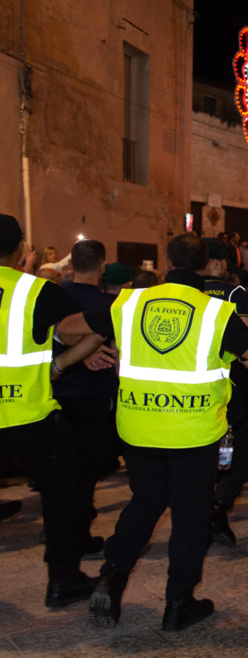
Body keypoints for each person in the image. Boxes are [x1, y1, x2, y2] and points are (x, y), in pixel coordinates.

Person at [56, 234, 248, 631]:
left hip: (138, 427)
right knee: (190, 518)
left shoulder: (129, 302)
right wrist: (240, 340)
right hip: (193, 433)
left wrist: (94, 348)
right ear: (205, 265)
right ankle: (178, 604)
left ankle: (112, 574)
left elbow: (68, 327)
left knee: (145, 502)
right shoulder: (214, 312)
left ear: (167, 260)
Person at [0, 214, 102, 610]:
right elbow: (93, 327)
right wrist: (61, 363)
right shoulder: (34, 292)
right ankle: (63, 580)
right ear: (21, 248)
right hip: (31, 415)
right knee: (61, 495)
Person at [53, 239, 118, 558]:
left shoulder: (54, 297)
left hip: (57, 395)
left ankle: (63, 527)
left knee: (62, 471)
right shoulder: (108, 304)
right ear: (102, 266)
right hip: (92, 396)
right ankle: (76, 534)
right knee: (86, 470)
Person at [199, 238, 248, 548]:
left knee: (205, 451)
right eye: (224, 261)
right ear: (214, 263)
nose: (226, 266)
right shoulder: (235, 294)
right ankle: (220, 502)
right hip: (236, 383)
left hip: (196, 385)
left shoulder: (190, 294)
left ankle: (203, 511)